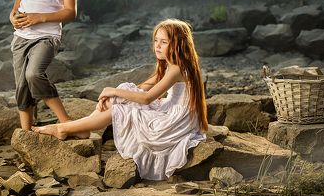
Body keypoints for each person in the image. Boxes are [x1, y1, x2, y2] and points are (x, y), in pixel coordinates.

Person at [33, 18, 209, 180]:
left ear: (178, 45)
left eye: (164, 42)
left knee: (121, 108)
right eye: (156, 40)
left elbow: (147, 98)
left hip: (175, 120)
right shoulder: (170, 65)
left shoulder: (176, 69)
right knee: (124, 90)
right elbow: (142, 88)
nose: (157, 46)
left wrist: (113, 92)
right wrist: (114, 95)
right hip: (171, 110)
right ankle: (81, 128)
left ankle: (64, 128)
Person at [7, 0, 78, 131]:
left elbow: (70, 12)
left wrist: (40, 18)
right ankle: (26, 132)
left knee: (33, 74)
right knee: (21, 85)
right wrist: (13, 18)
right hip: (21, 37)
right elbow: (15, 8)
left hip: (47, 36)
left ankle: (66, 123)